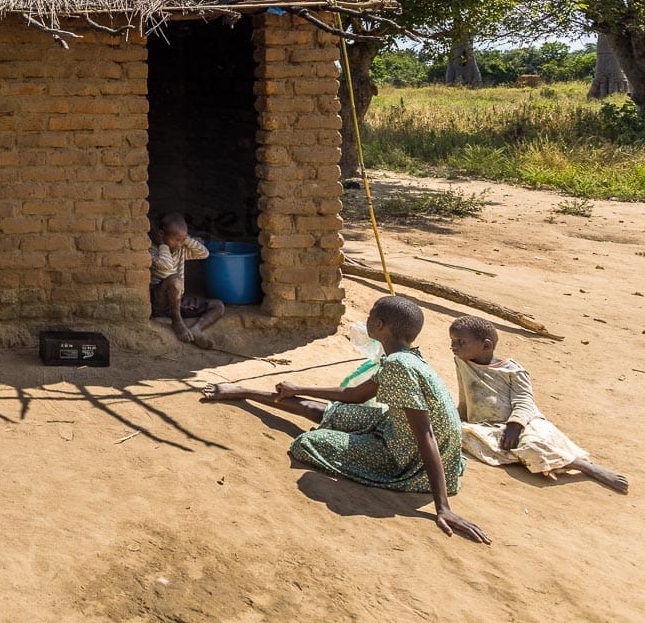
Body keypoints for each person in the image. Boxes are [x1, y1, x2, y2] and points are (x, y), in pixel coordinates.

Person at [202, 296, 490, 543]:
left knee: (309, 442)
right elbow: (353, 394)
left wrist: (443, 507)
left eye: (370, 316)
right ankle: (246, 392)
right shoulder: (404, 358)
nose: (366, 319)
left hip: (407, 457)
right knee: (332, 412)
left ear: (379, 326)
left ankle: (247, 394)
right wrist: (299, 388)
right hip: (394, 429)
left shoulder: (400, 366)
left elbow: (425, 435)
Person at [449, 315, 628, 493]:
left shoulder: (513, 371)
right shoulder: (461, 361)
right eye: (452, 340)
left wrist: (515, 425)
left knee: (532, 444)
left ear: (486, 345)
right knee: (459, 435)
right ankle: (537, 459)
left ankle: (583, 466)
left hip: (525, 423)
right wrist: (460, 417)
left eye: (460, 342)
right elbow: (464, 393)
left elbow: (525, 401)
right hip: (487, 426)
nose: (453, 346)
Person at [149, 212, 224, 348]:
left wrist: (185, 238)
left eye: (181, 240)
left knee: (218, 305)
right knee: (175, 280)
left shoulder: (180, 249)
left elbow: (204, 253)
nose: (179, 244)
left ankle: (197, 329)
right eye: (176, 239)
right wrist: (163, 245)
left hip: (178, 300)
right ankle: (177, 321)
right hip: (160, 303)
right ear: (161, 234)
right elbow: (167, 266)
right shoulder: (153, 251)